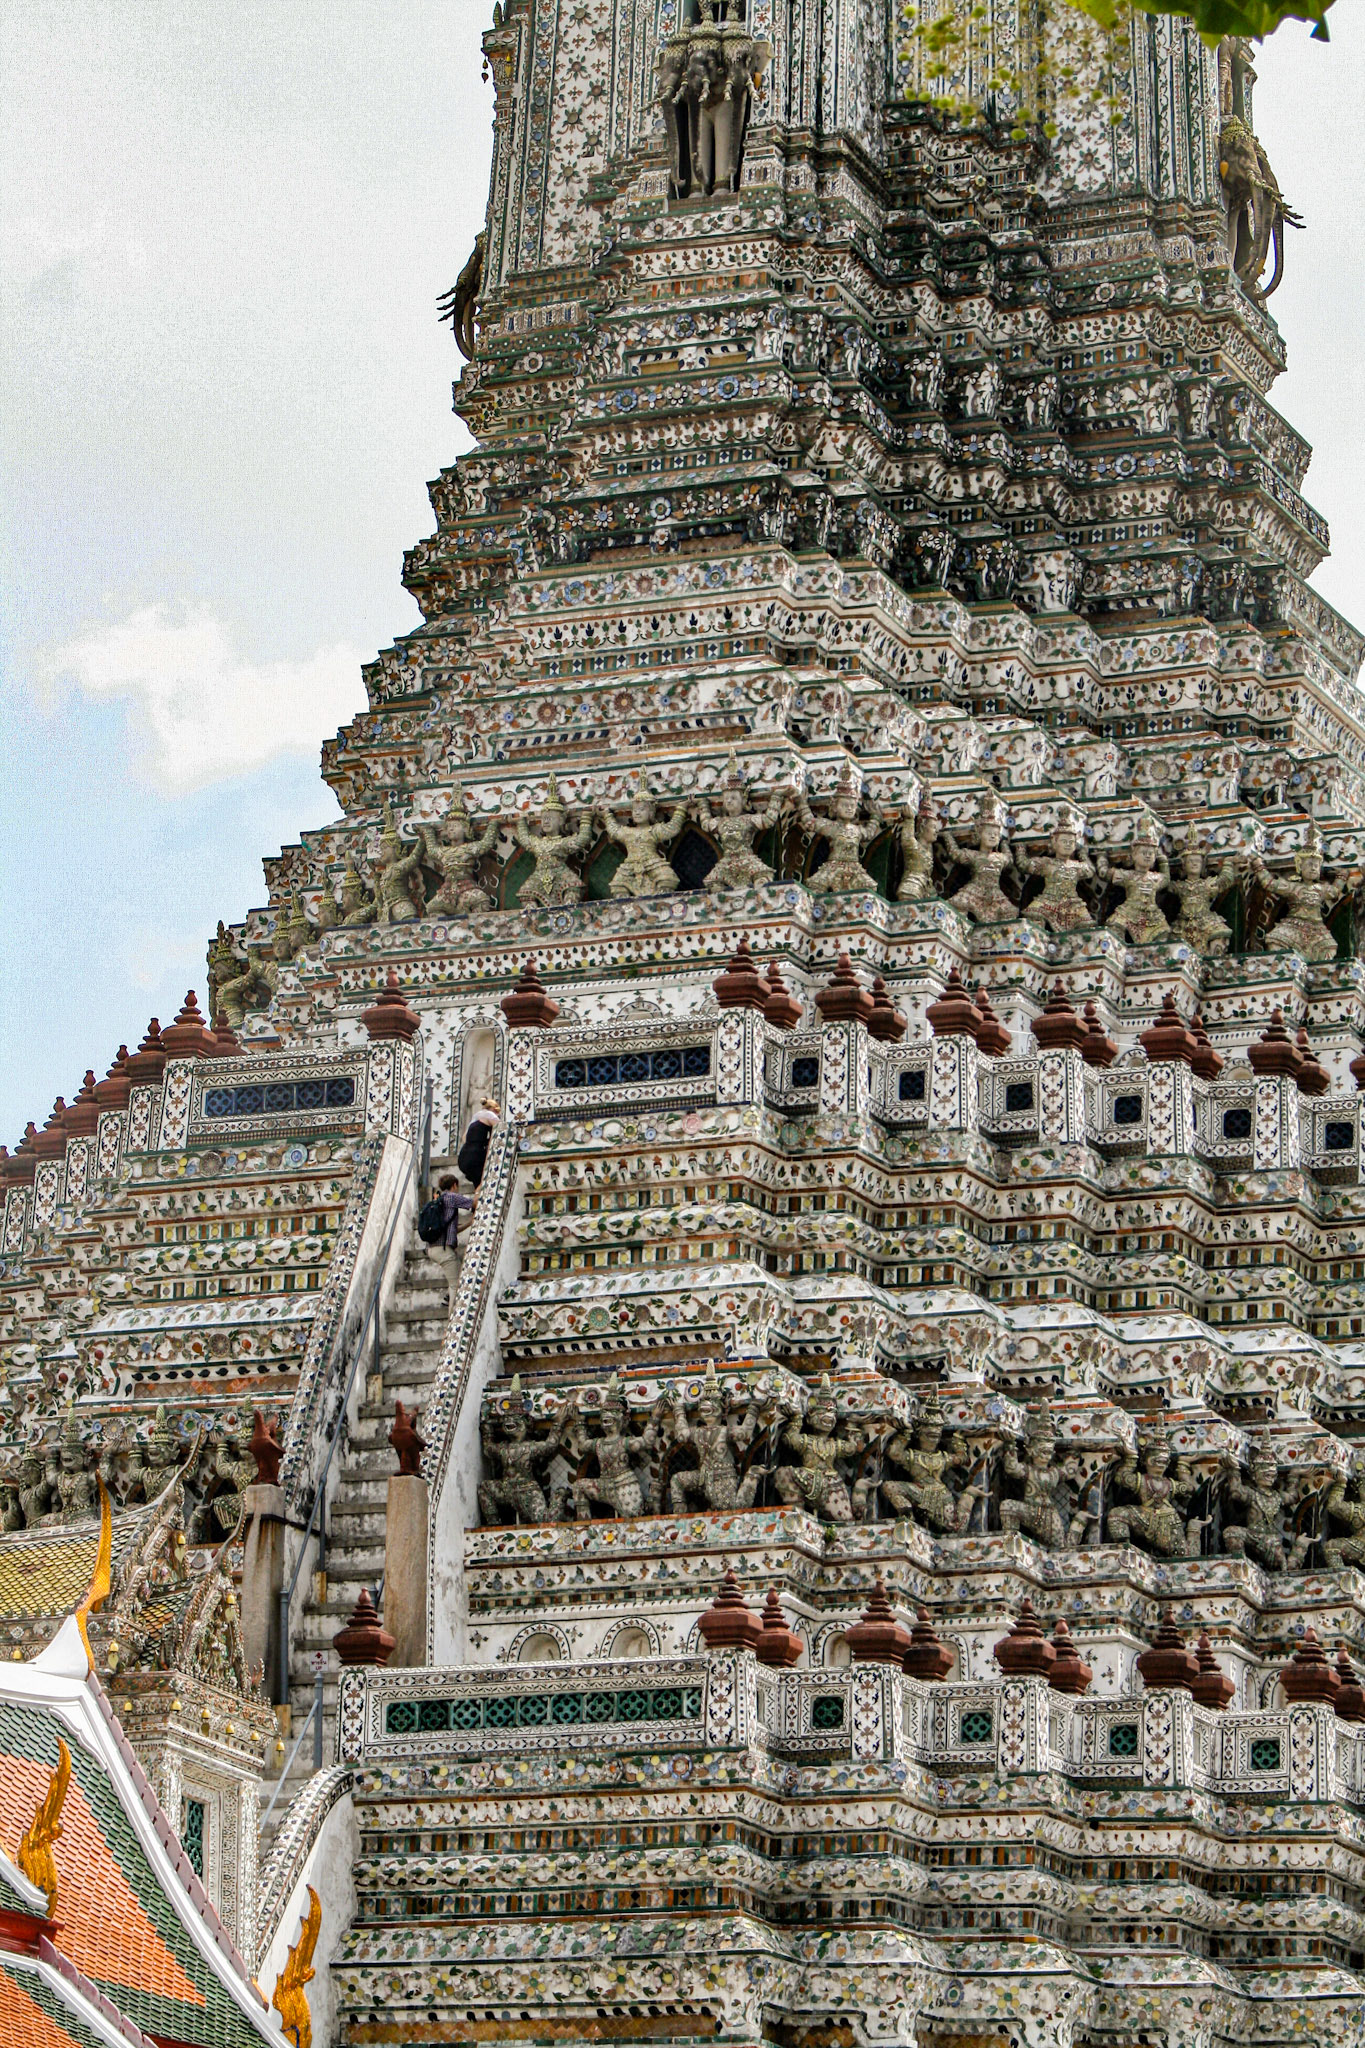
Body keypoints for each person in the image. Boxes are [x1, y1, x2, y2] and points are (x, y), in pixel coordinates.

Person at [428, 1173, 475, 1301]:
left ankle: (448, 1298)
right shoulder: (452, 1197)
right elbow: (475, 1203)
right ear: (454, 1185)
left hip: (433, 1248)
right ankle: (453, 1312)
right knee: (456, 1286)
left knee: (457, 1276)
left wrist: (469, 1223)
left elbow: (451, 1230)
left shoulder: (438, 1199)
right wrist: (480, 1188)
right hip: (444, 1249)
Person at [456, 1097, 500, 1189]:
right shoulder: (489, 1115)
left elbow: (464, 1138)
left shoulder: (476, 1117)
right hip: (476, 1157)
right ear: (493, 1109)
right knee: (481, 1186)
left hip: (464, 1156)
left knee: (478, 1185)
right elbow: (500, 1129)